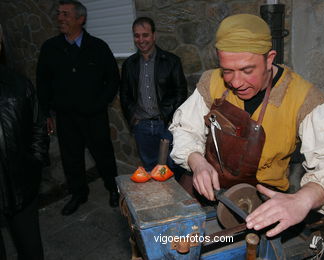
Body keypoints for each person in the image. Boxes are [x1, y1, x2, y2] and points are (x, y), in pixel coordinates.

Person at [169, 14, 324, 258]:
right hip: (205, 187)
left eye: (247, 70)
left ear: (269, 59)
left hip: (259, 200)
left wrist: (303, 199)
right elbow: (185, 127)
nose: (236, 82)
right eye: (228, 71)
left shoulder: (303, 98)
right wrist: (197, 161)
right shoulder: (212, 83)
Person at [36, 0, 120, 216]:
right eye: (59, 14)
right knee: (70, 158)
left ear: (80, 19)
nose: (60, 18)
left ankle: (114, 189)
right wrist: (46, 113)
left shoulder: (98, 47)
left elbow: (112, 79)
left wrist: (99, 104)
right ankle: (78, 194)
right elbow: (42, 83)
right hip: (65, 117)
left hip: (94, 116)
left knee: (103, 154)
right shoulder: (50, 48)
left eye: (65, 14)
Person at [0, 24, 49, 260]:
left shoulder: (20, 85)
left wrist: (34, 164)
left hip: (22, 189)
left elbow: (38, 129)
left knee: (30, 252)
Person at [120, 17, 187, 178]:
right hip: (142, 127)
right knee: (150, 170)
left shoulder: (171, 61)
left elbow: (181, 92)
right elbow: (125, 95)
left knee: (173, 170)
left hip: (165, 125)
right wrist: (134, 119)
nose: (141, 40)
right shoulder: (129, 64)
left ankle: (173, 202)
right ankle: (158, 201)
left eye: (145, 35)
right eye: (137, 36)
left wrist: (171, 119)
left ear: (154, 35)